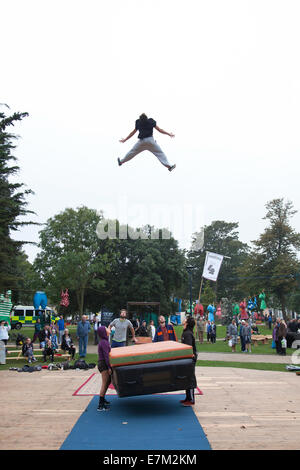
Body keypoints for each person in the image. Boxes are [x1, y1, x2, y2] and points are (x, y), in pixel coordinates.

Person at [180, 317, 197, 406]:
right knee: (187, 378)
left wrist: (189, 358)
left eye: (185, 319)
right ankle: (187, 397)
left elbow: (189, 347)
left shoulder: (187, 334)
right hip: (187, 359)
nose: (183, 320)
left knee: (190, 378)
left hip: (189, 359)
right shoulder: (186, 332)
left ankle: (191, 399)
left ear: (187, 322)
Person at [97, 326, 112, 412]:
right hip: (103, 364)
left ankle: (103, 399)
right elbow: (106, 356)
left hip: (103, 363)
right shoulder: (104, 343)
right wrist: (109, 367)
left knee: (107, 382)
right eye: (107, 328)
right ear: (104, 332)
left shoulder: (105, 341)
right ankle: (100, 405)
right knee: (104, 383)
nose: (108, 329)